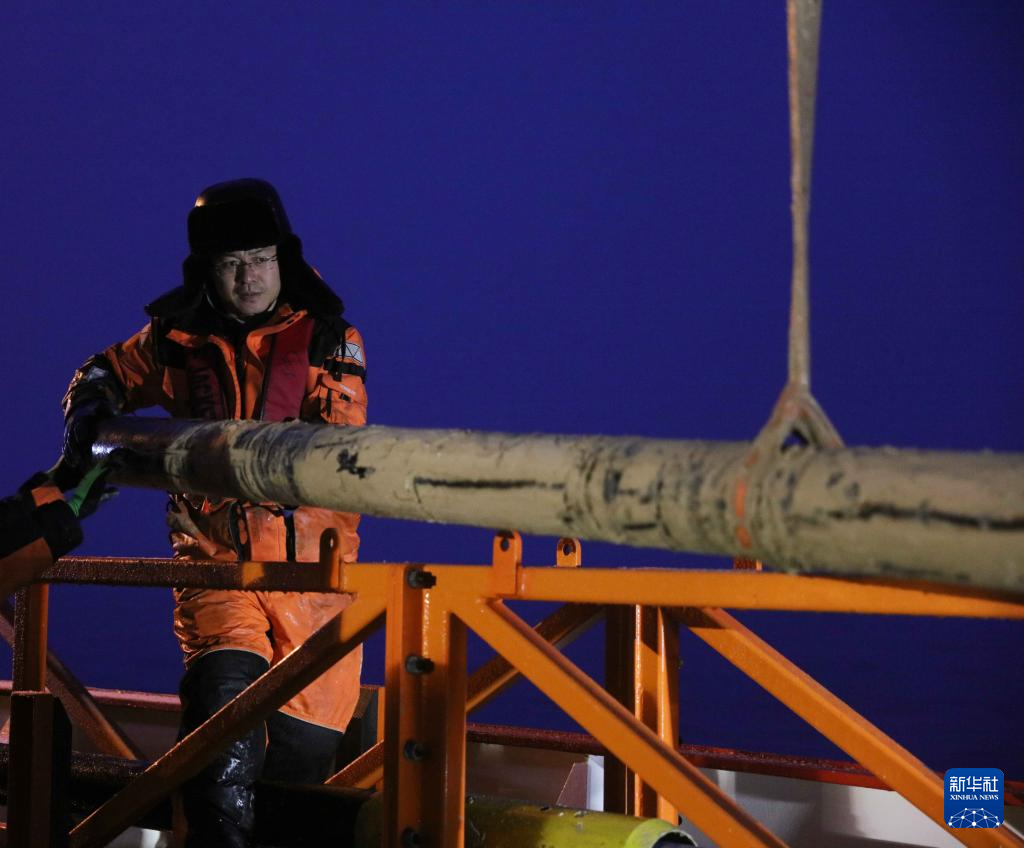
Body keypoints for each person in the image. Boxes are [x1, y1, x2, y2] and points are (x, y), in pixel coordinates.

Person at [60, 178, 368, 847]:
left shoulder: (329, 337)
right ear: (208, 268)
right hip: (217, 565)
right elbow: (103, 372)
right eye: (232, 263)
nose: (249, 277)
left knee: (298, 770)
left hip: (316, 582)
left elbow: (339, 443)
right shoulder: (175, 338)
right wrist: (89, 414)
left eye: (261, 259)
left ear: (283, 259)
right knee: (220, 726)